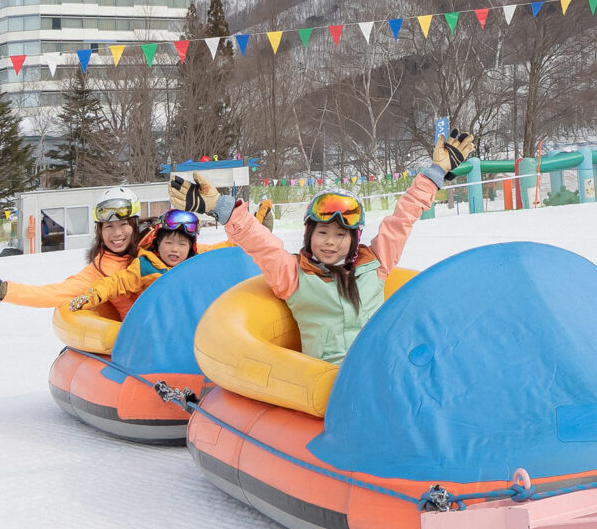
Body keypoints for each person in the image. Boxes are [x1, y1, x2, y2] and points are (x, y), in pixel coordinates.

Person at [177, 130, 472, 364]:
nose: (330, 241)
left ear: (354, 239)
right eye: (322, 232)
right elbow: (262, 245)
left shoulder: (376, 263)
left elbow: (402, 219)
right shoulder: (293, 275)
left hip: (377, 371)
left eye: (341, 235)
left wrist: (436, 173)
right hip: (326, 382)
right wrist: (224, 209)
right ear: (309, 235)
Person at [0, 196, 150, 319]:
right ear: (100, 232)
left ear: (135, 225)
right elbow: (54, 293)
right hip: (140, 333)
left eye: (123, 224)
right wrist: (5, 290)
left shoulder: (155, 246)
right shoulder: (99, 271)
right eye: (109, 227)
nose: (117, 233)